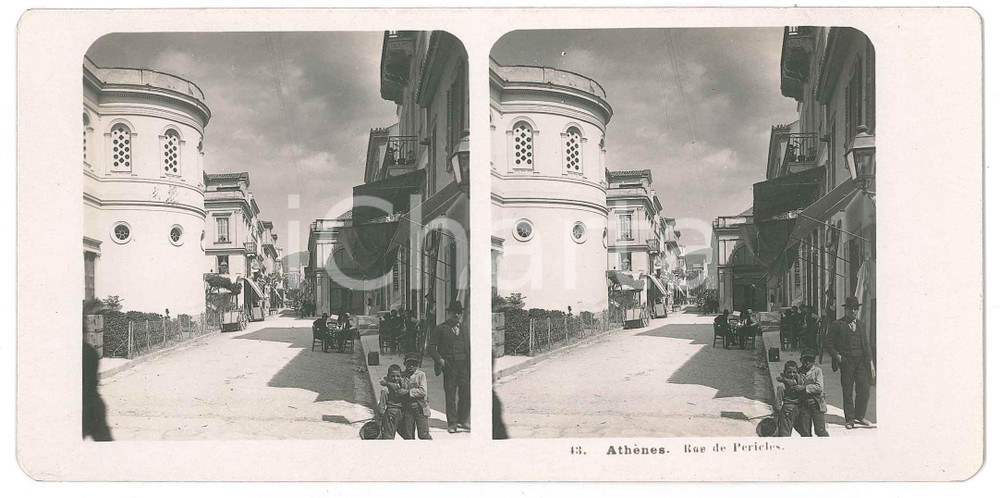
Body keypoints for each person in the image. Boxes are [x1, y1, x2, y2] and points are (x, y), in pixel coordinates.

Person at [825, 296, 875, 429]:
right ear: (845, 310)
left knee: (864, 389)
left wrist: (870, 362)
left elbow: (865, 345)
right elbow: (828, 343)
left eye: (855, 309)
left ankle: (860, 415)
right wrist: (837, 356)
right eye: (850, 309)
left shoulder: (860, 324)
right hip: (846, 362)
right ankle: (850, 419)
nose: (853, 311)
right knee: (847, 391)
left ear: (857, 310)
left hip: (861, 362)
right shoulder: (837, 325)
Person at [428, 300, 470, 433]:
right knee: (450, 394)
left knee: (465, 393)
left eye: (459, 313)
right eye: (454, 313)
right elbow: (430, 347)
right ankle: (452, 423)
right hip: (449, 366)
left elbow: (468, 347)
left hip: (463, 366)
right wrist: (440, 360)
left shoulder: (464, 328)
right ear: (449, 313)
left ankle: (462, 420)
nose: (456, 315)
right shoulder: (441, 328)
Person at [796, 349, 829, 437]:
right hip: (804, 405)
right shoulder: (797, 371)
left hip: (816, 404)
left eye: (810, 360)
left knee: (820, 431)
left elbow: (819, 387)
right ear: (800, 360)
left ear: (814, 361)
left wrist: (804, 388)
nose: (807, 362)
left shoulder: (817, 371)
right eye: (805, 360)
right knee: (805, 432)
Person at [400, 352, 432, 440]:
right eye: (409, 364)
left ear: (417, 365)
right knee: (408, 435)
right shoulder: (401, 375)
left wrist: (408, 392)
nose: (411, 366)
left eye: (414, 364)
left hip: (420, 408)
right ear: (404, 363)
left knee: (424, 434)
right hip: (407, 408)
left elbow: (423, 391)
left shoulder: (421, 375)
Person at [377, 365, 408, 439]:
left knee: (407, 435)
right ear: (388, 376)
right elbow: (382, 406)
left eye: (398, 376)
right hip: (392, 414)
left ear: (401, 375)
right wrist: (381, 417)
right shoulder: (386, 390)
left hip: (403, 414)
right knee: (389, 437)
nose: (395, 378)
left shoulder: (403, 384)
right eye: (393, 376)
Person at [775, 360, 803, 437]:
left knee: (805, 433)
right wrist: (778, 413)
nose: (792, 374)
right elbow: (778, 402)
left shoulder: (799, 378)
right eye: (789, 372)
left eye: (794, 372)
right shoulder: (782, 385)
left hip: (800, 409)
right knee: (785, 434)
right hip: (788, 409)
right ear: (785, 372)